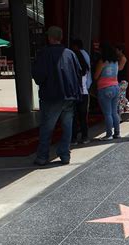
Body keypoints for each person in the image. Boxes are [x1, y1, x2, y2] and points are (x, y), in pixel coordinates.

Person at [32, 26, 82, 166]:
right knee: (67, 126)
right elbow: (79, 73)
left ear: (50, 38)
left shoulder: (44, 53)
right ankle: (65, 154)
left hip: (51, 95)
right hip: (69, 95)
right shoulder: (70, 53)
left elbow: (38, 74)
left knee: (47, 127)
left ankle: (43, 156)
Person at [94, 42, 120, 140]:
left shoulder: (102, 62)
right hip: (115, 86)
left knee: (107, 113)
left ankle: (109, 134)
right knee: (114, 112)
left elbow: (96, 76)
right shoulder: (115, 62)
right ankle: (117, 133)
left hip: (104, 88)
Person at [70, 39, 92, 145]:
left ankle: (73, 138)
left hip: (74, 95)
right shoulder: (85, 68)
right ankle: (85, 137)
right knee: (83, 117)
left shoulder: (72, 69)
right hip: (84, 94)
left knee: (73, 117)